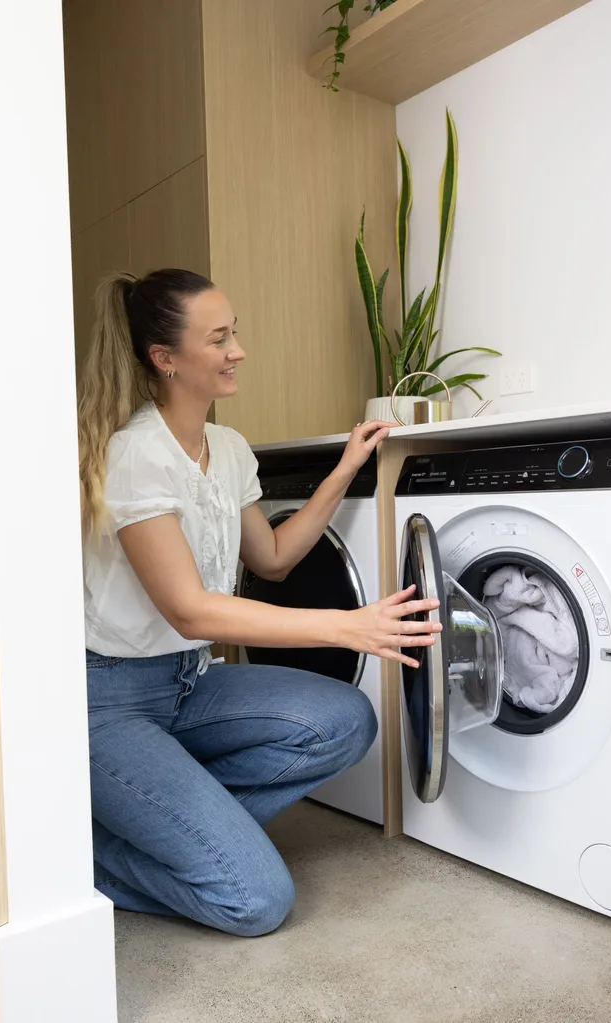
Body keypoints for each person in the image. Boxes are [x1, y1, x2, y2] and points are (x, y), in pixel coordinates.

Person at [77, 268, 441, 938]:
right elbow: (191, 610)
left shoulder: (230, 447)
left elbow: (270, 556)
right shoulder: (135, 456)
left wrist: (344, 471)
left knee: (345, 719)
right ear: (166, 359)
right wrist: (345, 626)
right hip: (112, 702)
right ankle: (92, 861)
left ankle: (178, 826)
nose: (237, 349)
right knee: (255, 898)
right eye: (219, 338)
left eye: (233, 332)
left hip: (190, 683)